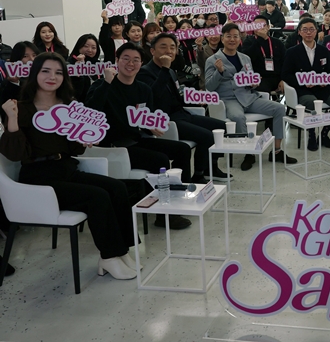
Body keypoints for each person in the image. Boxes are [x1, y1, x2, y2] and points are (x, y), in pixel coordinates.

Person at [1, 53, 138, 280]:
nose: (52, 77)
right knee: (97, 197)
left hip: (65, 168)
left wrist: (82, 138)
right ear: (35, 74)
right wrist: (12, 121)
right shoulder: (20, 108)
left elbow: (75, 149)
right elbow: (15, 155)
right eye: (45, 71)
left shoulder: (67, 107)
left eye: (58, 72)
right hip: (38, 178)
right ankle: (109, 256)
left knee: (117, 188)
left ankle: (122, 250)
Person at [85, 43, 194, 230]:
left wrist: (151, 126)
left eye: (136, 60)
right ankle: (163, 214)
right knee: (159, 160)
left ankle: (177, 200)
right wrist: (106, 83)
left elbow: (145, 118)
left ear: (141, 63)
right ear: (116, 61)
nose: (131, 63)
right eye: (125, 58)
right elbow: (90, 112)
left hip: (137, 140)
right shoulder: (103, 86)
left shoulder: (144, 89)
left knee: (182, 149)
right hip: (113, 146)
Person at [137, 33, 231, 182]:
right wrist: (165, 70)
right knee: (206, 136)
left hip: (181, 113)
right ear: (153, 51)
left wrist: (196, 100)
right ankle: (198, 174)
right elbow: (153, 96)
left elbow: (177, 97)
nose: (169, 50)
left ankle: (210, 168)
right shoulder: (145, 72)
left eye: (172, 47)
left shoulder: (171, 71)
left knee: (221, 127)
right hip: (167, 120)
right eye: (163, 46)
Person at [205, 23, 296, 169]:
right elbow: (209, 86)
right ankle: (249, 153)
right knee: (238, 117)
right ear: (222, 39)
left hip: (248, 96)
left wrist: (254, 83)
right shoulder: (213, 60)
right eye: (228, 36)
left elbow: (250, 79)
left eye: (235, 36)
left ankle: (277, 150)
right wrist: (219, 72)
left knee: (279, 108)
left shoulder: (245, 58)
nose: (232, 39)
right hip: (229, 100)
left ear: (240, 39)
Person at [282, 18, 330, 150]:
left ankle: (324, 134)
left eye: (312, 29)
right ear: (299, 32)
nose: (308, 32)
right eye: (305, 29)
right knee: (311, 102)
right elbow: (286, 75)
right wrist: (303, 83)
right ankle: (311, 134)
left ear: (316, 31)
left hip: (322, 88)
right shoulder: (292, 52)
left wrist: (324, 80)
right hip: (303, 89)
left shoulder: (323, 50)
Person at [241, 15, 286, 95]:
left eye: (262, 25)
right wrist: (260, 39)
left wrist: (283, 79)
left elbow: (285, 62)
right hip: (260, 77)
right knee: (261, 89)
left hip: (277, 77)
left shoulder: (277, 43)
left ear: (268, 27)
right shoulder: (249, 42)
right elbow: (247, 58)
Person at [0, 42, 39, 120]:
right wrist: (14, 82)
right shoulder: (9, 82)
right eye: (25, 56)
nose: (31, 59)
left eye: (34, 55)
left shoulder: (44, 77)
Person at [67, 34, 101, 103]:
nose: (90, 50)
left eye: (93, 47)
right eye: (86, 46)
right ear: (79, 46)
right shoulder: (70, 63)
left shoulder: (98, 65)